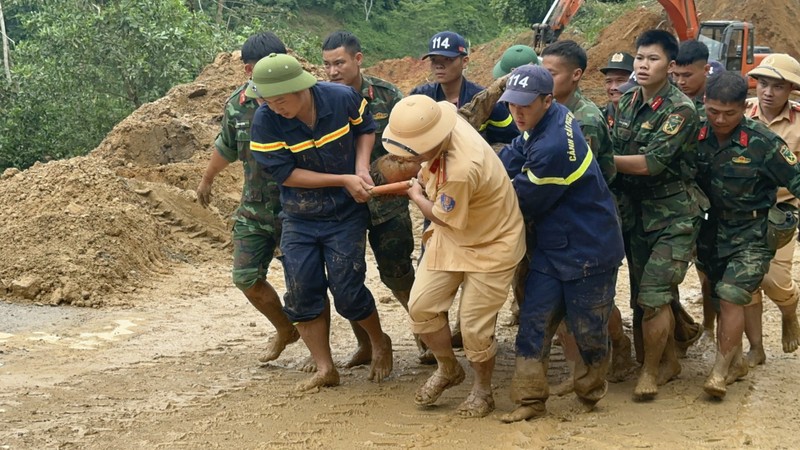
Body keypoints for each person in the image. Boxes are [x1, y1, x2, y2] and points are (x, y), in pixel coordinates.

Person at [248, 53, 393, 391]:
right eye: (268, 101)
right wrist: (342, 179)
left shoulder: (341, 98)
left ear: (301, 89)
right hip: (299, 215)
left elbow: (365, 129)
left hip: (345, 215)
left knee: (347, 290)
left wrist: (359, 168)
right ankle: (326, 367)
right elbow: (285, 174)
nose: (275, 107)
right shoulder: (265, 120)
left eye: (281, 100)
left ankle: (378, 341)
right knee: (301, 290)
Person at [382, 95, 525, 418]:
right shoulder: (443, 114)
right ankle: (448, 368)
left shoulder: (462, 169)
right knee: (421, 307)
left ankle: (482, 390)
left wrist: (416, 194)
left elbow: (442, 215)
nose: (408, 157)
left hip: (491, 241)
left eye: (412, 151)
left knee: (475, 328)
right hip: (454, 235)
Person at [495, 65, 624, 422]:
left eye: (525, 105)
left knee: (588, 328)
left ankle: (591, 388)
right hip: (553, 246)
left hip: (589, 249)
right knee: (534, 322)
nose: (516, 113)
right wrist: (488, 163)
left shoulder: (554, 147)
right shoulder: (552, 118)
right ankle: (530, 398)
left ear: (547, 100)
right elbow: (516, 154)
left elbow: (516, 201)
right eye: (511, 105)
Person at [611, 29, 705, 400]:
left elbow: (651, 163)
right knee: (643, 294)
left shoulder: (680, 109)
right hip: (637, 214)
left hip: (674, 216)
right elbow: (610, 138)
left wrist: (599, 162)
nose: (644, 65)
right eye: (640, 58)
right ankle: (667, 356)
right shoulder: (629, 99)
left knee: (652, 295)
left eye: (653, 59)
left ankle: (651, 371)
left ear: (671, 65)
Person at [321, 31, 425, 365]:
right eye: (327, 65)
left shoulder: (386, 95)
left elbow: (410, 148)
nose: (333, 71)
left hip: (388, 202)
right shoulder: (320, 99)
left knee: (397, 271)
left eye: (339, 63)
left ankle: (426, 333)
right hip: (341, 205)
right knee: (345, 277)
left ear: (357, 59)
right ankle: (366, 344)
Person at [196, 32, 299, 365]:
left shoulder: (300, 99)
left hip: (297, 207)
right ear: (247, 70)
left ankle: (319, 352)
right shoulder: (237, 105)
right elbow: (226, 146)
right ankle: (285, 329)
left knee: (305, 282)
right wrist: (207, 179)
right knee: (246, 278)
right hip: (255, 208)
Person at [695, 71, 800, 398]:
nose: (720, 119)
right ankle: (739, 360)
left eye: (730, 113)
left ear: (744, 108)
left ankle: (720, 370)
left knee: (731, 295)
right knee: (715, 293)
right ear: (704, 104)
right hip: (711, 232)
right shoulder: (695, 133)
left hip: (753, 234)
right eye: (713, 111)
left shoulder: (764, 143)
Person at [538, 39, 632, 387]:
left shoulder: (585, 120)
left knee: (594, 304)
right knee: (559, 306)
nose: (544, 80)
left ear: (576, 75)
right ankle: (580, 370)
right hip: (554, 221)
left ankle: (618, 345)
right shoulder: (543, 109)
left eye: (551, 74)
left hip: (584, 224)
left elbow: (585, 179)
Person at [744, 53, 800, 366]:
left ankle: (789, 310)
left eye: (777, 86)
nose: (768, 92)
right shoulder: (740, 111)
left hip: (783, 210)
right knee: (748, 279)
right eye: (763, 83)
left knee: (775, 279)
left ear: (790, 89)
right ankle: (756, 347)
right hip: (743, 208)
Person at [673, 39, 726, 343]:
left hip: (713, 203)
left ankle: (710, 327)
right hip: (682, 204)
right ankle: (691, 328)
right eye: (676, 75)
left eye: (687, 76)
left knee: (710, 275)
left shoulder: (717, 104)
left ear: (706, 69)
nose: (681, 82)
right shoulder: (671, 104)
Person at [410, 31, 518, 145]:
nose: (439, 66)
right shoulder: (420, 98)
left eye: (447, 59)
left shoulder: (487, 102)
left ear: (465, 61)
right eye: (434, 60)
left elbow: (512, 144)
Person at [600, 51, 634, 129]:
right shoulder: (600, 117)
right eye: (609, 81)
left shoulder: (647, 117)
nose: (613, 87)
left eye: (620, 81)